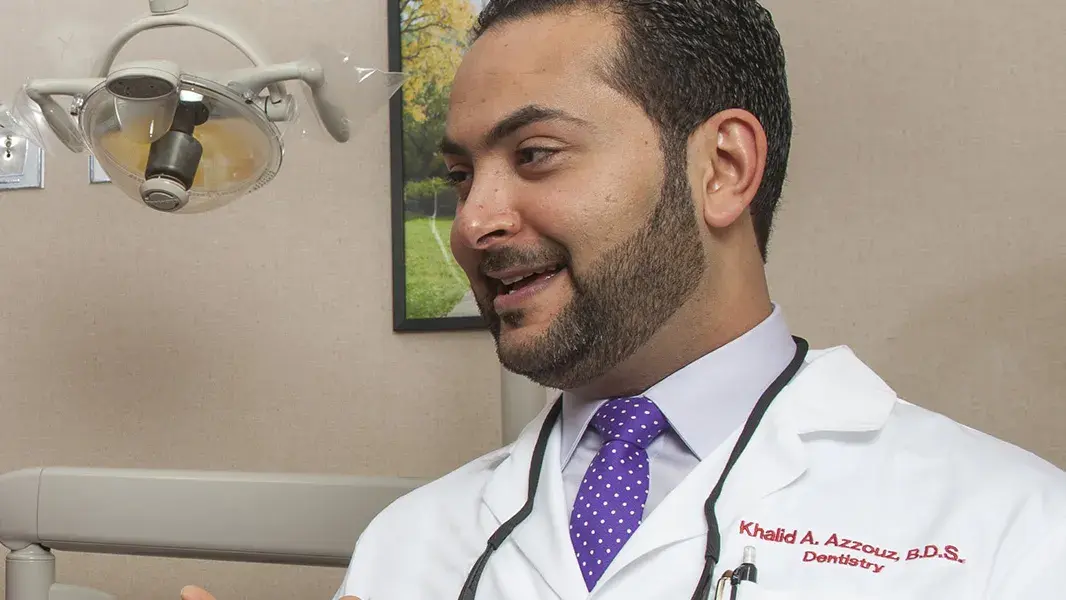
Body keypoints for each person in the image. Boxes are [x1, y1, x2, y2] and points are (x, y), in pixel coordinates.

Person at [183, 1, 1066, 599]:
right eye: (461, 175)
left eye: (534, 154)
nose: (473, 221)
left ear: (721, 169)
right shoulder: (406, 549)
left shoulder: (1007, 534)